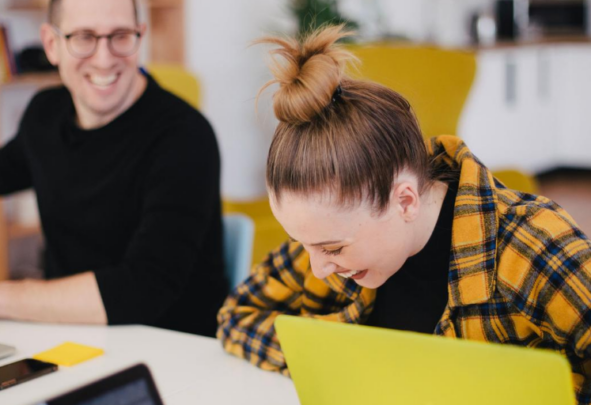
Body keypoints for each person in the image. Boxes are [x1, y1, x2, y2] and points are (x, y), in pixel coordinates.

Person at [217, 25, 591, 403]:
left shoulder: (532, 245)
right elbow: (236, 316)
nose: (317, 269)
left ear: (406, 201)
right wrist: (344, 362)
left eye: (332, 249)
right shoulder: (332, 234)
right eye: (305, 243)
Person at [0, 0, 227, 337]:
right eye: (84, 37)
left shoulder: (185, 137)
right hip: (67, 338)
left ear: (141, 36)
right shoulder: (44, 115)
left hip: (170, 352)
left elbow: (143, 289)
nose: (104, 58)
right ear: (52, 44)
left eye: (120, 36)